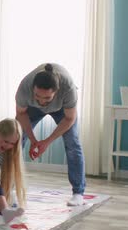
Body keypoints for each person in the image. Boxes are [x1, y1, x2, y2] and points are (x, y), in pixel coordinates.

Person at [15, 63, 86, 206]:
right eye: (37, 96)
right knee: (14, 139)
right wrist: (33, 140)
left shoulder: (68, 88)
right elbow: (21, 114)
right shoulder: (24, 87)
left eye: (47, 98)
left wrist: (46, 142)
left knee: (72, 143)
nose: (42, 101)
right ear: (32, 89)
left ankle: (78, 193)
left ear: (57, 91)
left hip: (62, 111)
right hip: (32, 109)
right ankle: (8, 188)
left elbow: (69, 118)